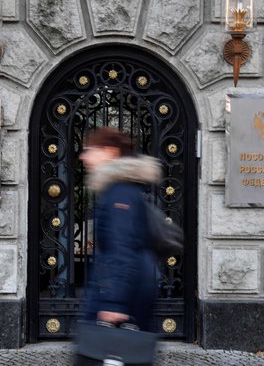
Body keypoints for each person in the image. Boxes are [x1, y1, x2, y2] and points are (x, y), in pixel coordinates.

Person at [76, 127, 160, 365]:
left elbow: (121, 248)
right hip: (123, 295)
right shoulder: (119, 189)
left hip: (120, 301)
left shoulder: (120, 193)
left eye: (90, 150)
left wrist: (114, 303)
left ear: (110, 152)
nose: (84, 157)